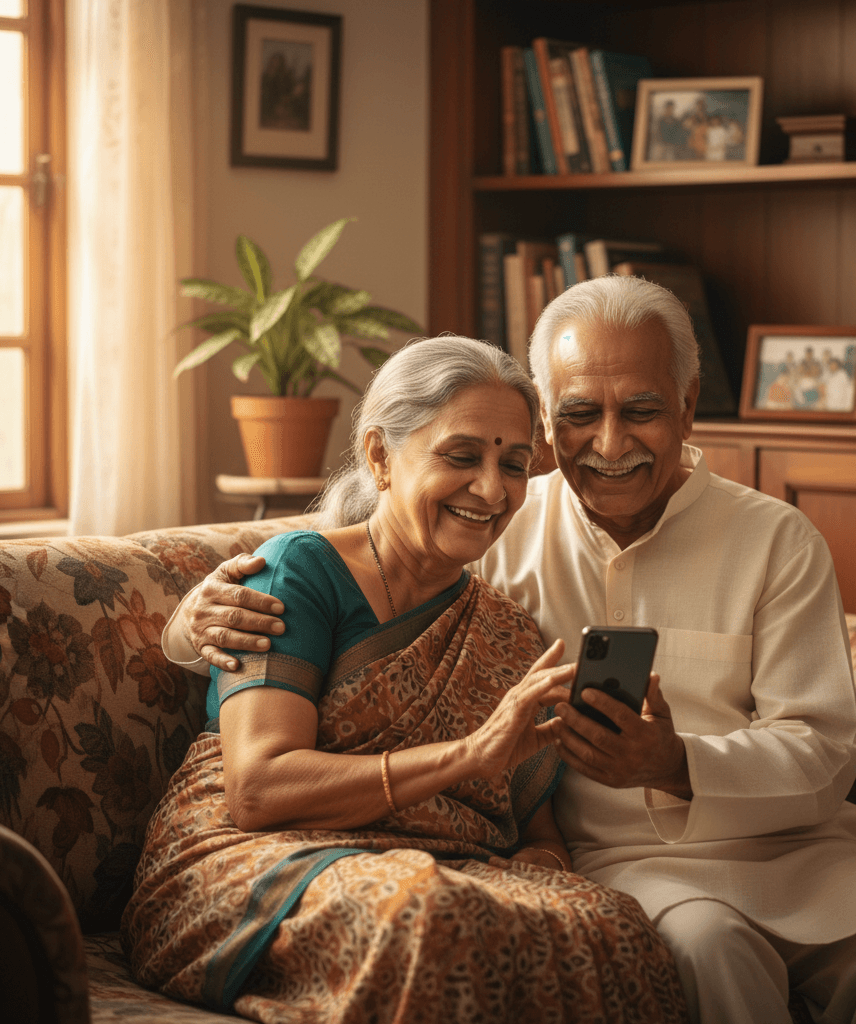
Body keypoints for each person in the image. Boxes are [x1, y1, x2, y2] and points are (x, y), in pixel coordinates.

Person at [167, 278, 856, 1024]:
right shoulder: (496, 518)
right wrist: (189, 620)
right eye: (577, 415)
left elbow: (823, 751)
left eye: (640, 409)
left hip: (800, 851)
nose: (609, 443)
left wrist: (677, 762)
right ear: (546, 416)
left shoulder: (775, 539)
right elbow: (338, 563)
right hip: (625, 861)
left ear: (688, 404)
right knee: (710, 945)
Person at [126, 336, 685, 1023]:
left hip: (438, 863)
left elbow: (535, 828)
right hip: (258, 859)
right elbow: (258, 788)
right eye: (461, 456)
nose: (492, 489)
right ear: (381, 457)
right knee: (431, 914)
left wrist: (541, 865)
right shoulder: (298, 572)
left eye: (514, 464)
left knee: (611, 925)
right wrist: (466, 758)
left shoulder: (506, 630)